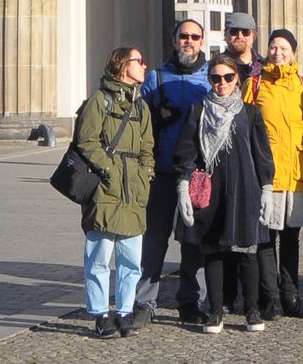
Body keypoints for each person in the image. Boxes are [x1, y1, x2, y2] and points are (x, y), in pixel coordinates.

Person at [173, 53, 275, 334]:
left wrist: (267, 187)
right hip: (211, 191)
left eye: (228, 77)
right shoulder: (198, 111)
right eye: (216, 78)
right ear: (210, 80)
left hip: (245, 189)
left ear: (237, 79)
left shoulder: (250, 112)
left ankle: (251, 309)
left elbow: (262, 153)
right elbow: (186, 152)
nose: (222, 83)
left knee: (247, 252)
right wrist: (183, 185)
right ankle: (215, 310)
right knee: (214, 252)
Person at [74, 46, 153, 338]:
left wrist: (145, 175)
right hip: (106, 188)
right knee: (99, 256)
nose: (144, 66)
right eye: (139, 61)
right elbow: (87, 141)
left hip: (133, 189)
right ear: (122, 66)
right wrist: (108, 169)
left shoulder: (141, 106)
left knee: (131, 258)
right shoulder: (100, 101)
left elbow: (148, 147)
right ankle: (100, 314)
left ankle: (125, 311)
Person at [246, 28, 303, 321]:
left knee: (291, 238)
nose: (278, 52)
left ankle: (291, 295)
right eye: (274, 47)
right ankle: (271, 299)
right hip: (265, 174)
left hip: (296, 174)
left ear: (293, 52)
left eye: (284, 48)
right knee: (266, 238)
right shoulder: (254, 84)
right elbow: (244, 130)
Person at [139, 20, 211, 324]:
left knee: (194, 243)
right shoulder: (155, 78)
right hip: (162, 171)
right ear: (174, 39)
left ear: (202, 41)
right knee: (154, 241)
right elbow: (139, 125)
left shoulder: (213, 78)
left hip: (197, 174)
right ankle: (145, 302)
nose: (189, 41)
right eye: (184, 36)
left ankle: (190, 300)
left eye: (195, 37)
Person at [224, 12, 260, 87]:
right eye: (234, 31)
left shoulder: (265, 67)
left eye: (245, 32)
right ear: (225, 35)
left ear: (254, 35)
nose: (239, 36)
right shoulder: (213, 67)